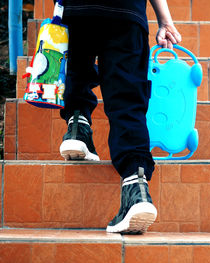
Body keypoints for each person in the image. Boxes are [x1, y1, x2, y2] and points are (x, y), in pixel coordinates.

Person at [55, 0, 181, 233]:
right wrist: (165, 20)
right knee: (127, 99)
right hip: (126, 11)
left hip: (76, 9)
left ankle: (77, 126)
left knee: (77, 69)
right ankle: (136, 187)